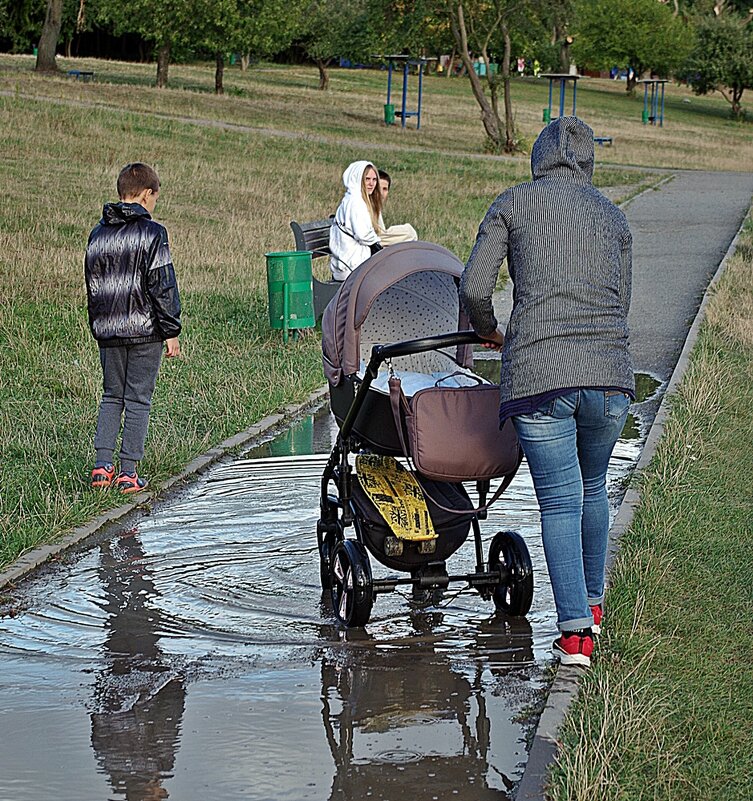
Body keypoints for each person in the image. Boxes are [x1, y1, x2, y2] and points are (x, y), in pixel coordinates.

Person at [459, 116, 634, 668]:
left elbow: (474, 287)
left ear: (538, 158)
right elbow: (621, 298)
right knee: (594, 487)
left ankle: (575, 634)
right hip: (609, 375)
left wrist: (489, 329)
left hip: (540, 373)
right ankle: (594, 608)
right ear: (588, 163)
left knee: (559, 499)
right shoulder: (614, 216)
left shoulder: (513, 204)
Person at [85, 162, 182, 494]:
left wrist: (99, 326)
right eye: (154, 199)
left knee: (112, 395)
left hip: (108, 331)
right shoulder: (153, 233)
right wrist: (171, 330)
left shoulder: (97, 234)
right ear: (146, 194)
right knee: (138, 398)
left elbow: (93, 286)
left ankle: (101, 468)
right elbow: (162, 285)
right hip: (145, 331)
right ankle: (128, 473)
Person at [329, 161, 384, 281]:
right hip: (351, 267)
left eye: (374, 180)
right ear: (358, 179)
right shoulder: (355, 203)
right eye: (367, 179)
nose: (371, 184)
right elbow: (363, 235)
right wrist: (380, 242)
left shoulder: (355, 200)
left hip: (352, 263)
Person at [376, 169, 418, 246]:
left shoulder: (376, 209)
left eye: (385, 189)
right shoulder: (364, 208)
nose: (381, 193)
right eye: (378, 188)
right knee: (409, 233)